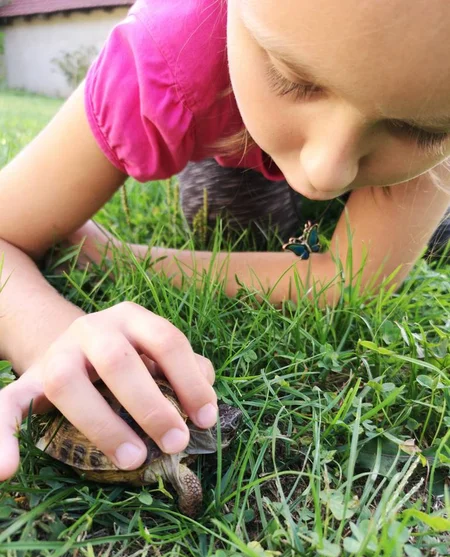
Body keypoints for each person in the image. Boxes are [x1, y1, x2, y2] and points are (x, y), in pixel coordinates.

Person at [0, 0, 449, 482]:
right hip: (213, 107)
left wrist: (114, 258)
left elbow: (349, 281)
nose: (325, 170)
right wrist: (59, 339)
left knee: (437, 236)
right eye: (291, 76)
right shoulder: (159, 54)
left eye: (417, 130)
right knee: (227, 219)